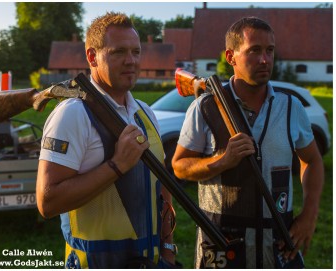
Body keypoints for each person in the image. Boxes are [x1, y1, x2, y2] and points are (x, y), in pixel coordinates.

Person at [172, 16, 324, 269]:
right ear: (231, 57)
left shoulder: (291, 107)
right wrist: (223, 160)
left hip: (279, 243)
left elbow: (313, 160)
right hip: (221, 244)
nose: (265, 60)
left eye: (269, 50)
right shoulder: (205, 107)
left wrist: (309, 215)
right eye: (254, 50)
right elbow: (179, 166)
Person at [36, 12, 176, 268]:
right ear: (92, 57)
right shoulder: (72, 114)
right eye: (119, 52)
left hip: (152, 261)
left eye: (136, 52)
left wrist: (168, 248)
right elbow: (47, 201)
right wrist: (117, 165)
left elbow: (163, 188)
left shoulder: (145, 112)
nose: (131, 61)